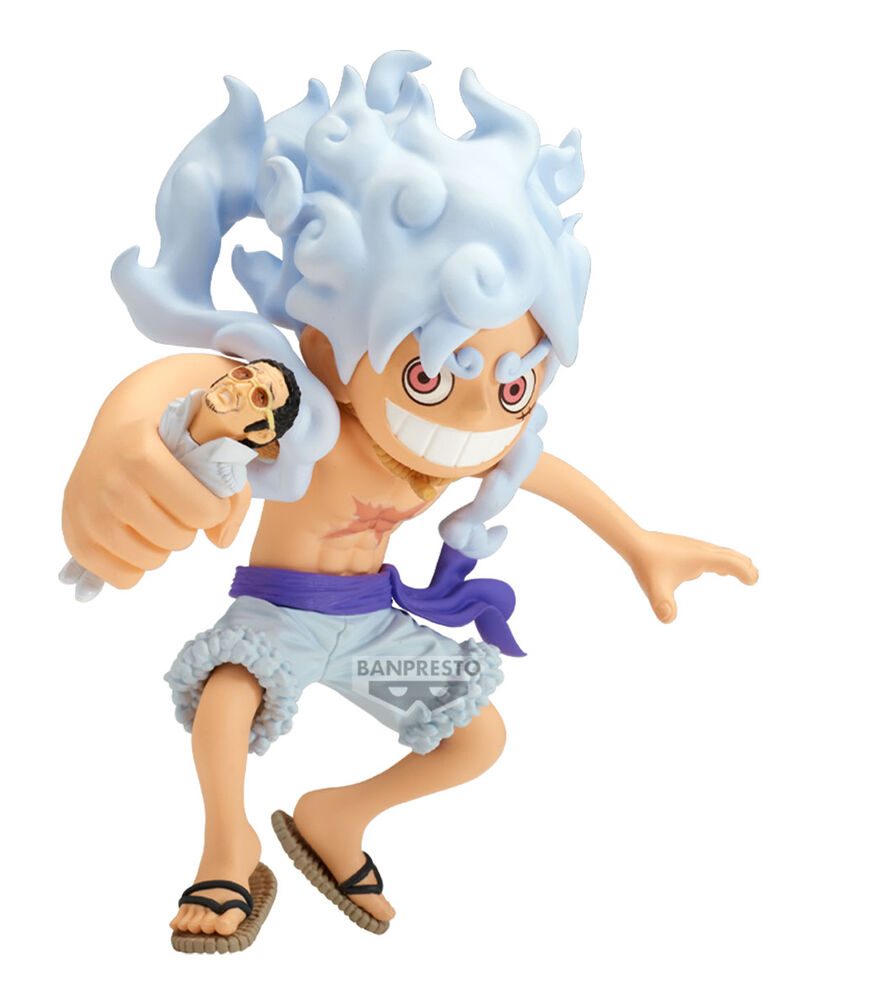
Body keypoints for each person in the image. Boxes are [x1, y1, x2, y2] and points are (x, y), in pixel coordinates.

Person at [62, 52, 757, 952]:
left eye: (513, 386)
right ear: (330, 337)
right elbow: (196, 383)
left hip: (372, 629)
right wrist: (127, 438)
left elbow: (545, 472)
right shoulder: (308, 417)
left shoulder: (445, 460)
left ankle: (338, 817)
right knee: (227, 698)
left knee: (478, 738)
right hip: (278, 616)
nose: (475, 413)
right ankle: (227, 847)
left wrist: (639, 543)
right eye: (430, 374)